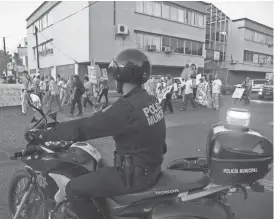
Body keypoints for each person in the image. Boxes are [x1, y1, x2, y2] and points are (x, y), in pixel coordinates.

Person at [39, 48, 166, 218]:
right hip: (150, 168)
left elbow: (85, 127)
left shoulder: (126, 108)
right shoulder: (149, 100)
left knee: (73, 188)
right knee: (98, 166)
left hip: (131, 177)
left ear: (121, 76)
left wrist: (46, 135)